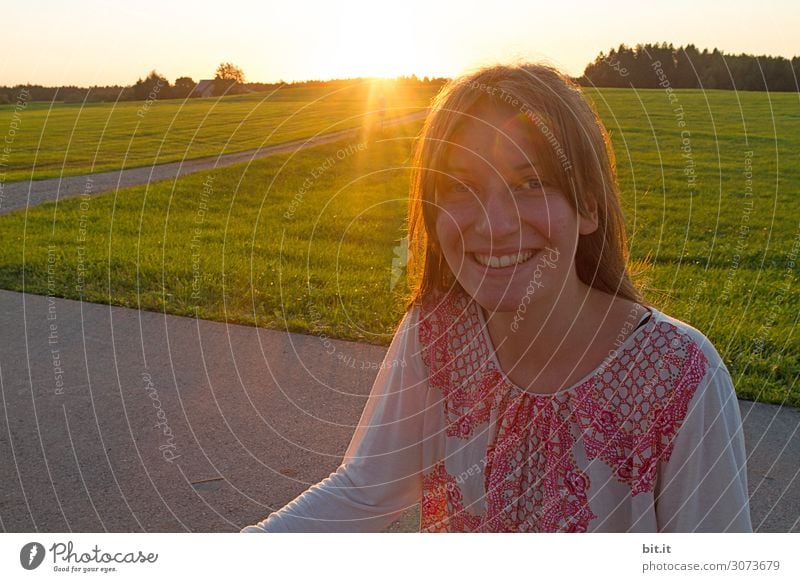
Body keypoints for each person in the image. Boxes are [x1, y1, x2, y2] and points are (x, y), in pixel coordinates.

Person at [241, 63, 752, 533]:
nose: (496, 224)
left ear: (589, 208)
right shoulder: (437, 333)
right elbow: (363, 493)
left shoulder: (678, 377)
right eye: (460, 187)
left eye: (530, 182)